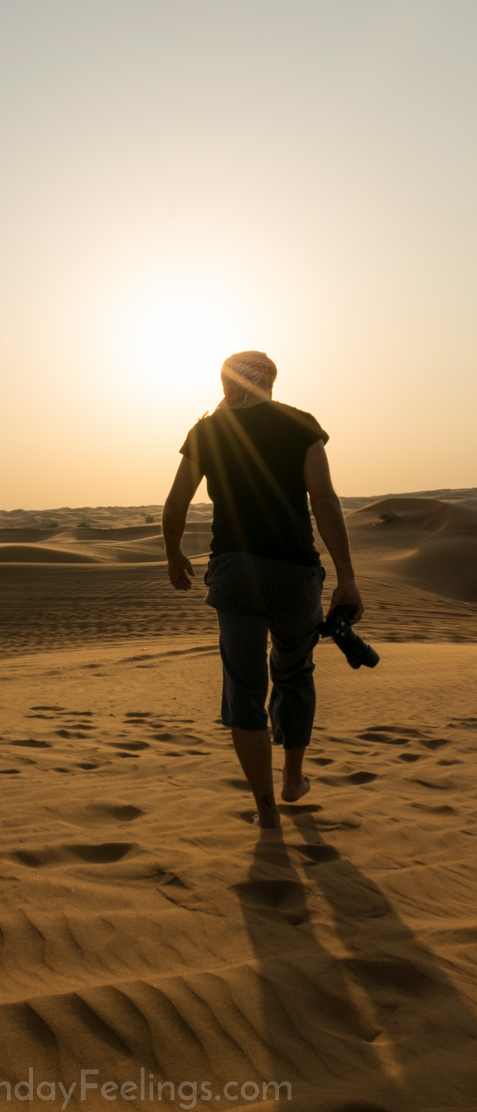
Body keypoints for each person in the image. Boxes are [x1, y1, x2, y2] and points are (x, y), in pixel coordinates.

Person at [162, 350, 363, 830]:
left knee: (245, 688)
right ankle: (293, 779)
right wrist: (347, 576)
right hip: (294, 573)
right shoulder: (300, 425)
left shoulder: (206, 432)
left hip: (235, 573)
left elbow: (176, 503)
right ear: (271, 381)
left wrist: (173, 553)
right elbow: (324, 500)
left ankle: (266, 812)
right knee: (294, 673)